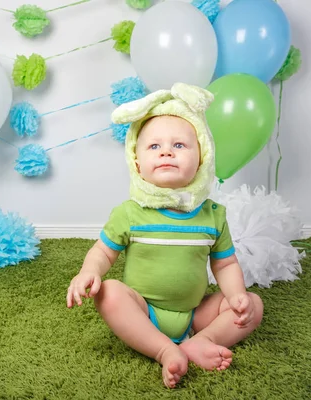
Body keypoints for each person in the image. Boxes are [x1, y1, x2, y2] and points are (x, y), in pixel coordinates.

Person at [66, 83, 264, 388]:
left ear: (202, 158)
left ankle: (201, 341)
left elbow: (225, 265)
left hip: (196, 313)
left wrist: (236, 295)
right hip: (144, 311)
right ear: (137, 163)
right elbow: (104, 252)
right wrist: (88, 271)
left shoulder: (213, 214)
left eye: (180, 145)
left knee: (253, 305)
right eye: (154, 146)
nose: (167, 151)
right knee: (109, 293)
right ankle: (163, 348)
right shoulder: (130, 213)